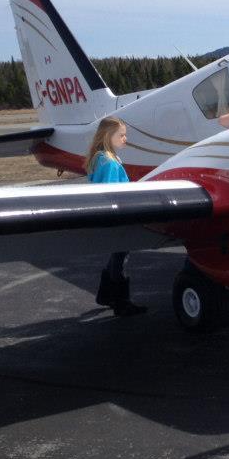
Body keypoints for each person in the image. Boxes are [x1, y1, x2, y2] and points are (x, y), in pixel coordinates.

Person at [84, 117, 147, 316]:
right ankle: (121, 302)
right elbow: (112, 193)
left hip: (108, 218)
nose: (125, 138)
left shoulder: (100, 158)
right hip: (118, 217)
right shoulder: (110, 163)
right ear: (107, 136)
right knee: (121, 257)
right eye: (121, 135)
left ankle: (107, 295)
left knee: (117, 255)